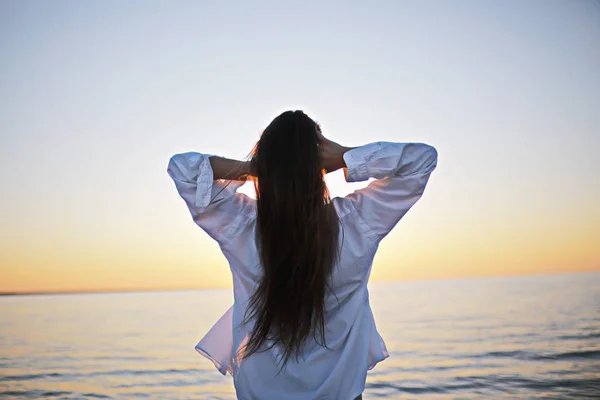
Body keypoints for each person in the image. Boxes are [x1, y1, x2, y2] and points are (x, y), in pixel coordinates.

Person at [167, 110, 438, 400]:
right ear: (320, 162)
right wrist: (346, 157)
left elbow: (183, 168)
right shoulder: (357, 222)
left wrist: (256, 167)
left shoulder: (241, 225)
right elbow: (422, 160)